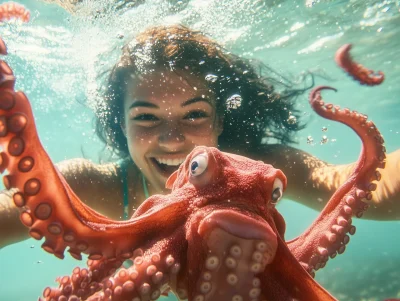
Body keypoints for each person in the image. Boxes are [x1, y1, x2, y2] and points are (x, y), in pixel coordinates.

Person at [0, 25, 399, 250]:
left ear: (220, 121)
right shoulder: (90, 187)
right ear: (120, 126)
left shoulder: (256, 174)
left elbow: (368, 190)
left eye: (194, 114)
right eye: (146, 117)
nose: (172, 139)